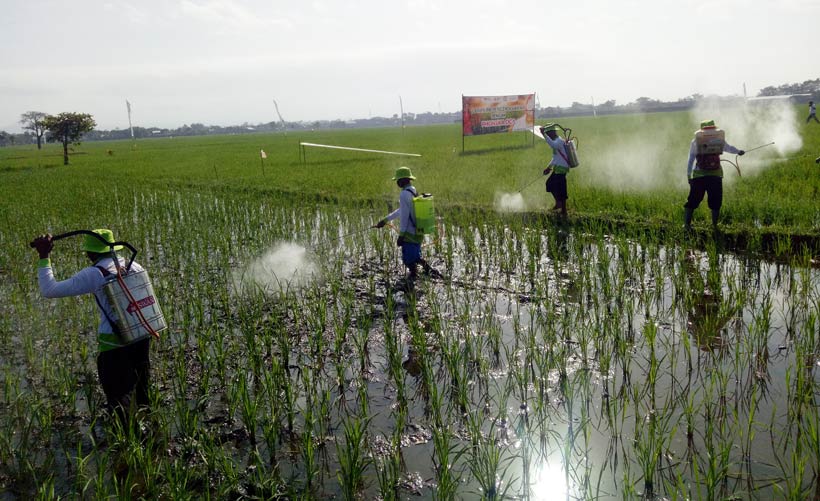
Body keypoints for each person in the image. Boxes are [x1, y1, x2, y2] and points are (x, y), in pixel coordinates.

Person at [31, 229, 153, 424]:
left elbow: (49, 290)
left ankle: (127, 442)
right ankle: (151, 434)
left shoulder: (95, 274)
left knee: (119, 401)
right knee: (142, 392)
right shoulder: (134, 265)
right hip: (141, 336)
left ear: (90, 253)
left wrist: (44, 256)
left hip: (114, 345)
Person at [374, 166, 436, 279]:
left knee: (408, 259)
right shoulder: (412, 190)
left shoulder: (404, 194)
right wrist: (385, 220)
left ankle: (413, 277)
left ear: (403, 180)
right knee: (415, 255)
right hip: (418, 230)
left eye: (398, 180)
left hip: (409, 233)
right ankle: (428, 270)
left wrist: (401, 236)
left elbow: (404, 216)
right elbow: (402, 210)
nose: (397, 182)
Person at [683, 120, 745, 229]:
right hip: (715, 175)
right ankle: (714, 226)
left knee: (693, 200)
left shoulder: (696, 141)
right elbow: (729, 148)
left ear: (702, 129)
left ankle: (687, 225)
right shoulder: (718, 139)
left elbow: (691, 159)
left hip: (699, 176)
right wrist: (739, 151)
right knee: (716, 201)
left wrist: (689, 176)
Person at [539, 123, 570, 215]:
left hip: (562, 169)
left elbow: (553, 145)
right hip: (557, 168)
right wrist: (548, 168)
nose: (548, 136)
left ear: (552, 133)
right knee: (550, 184)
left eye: (548, 134)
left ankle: (564, 210)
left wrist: (543, 134)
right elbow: (555, 157)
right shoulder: (556, 141)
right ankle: (558, 203)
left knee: (561, 189)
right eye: (547, 134)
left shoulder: (559, 141)